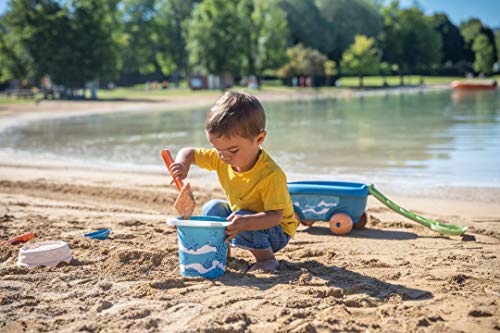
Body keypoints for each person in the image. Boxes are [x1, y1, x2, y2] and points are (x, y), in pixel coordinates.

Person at [170, 91, 298, 273]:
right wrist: (182, 165)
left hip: (275, 231)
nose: (223, 157)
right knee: (212, 208)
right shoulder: (222, 156)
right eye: (217, 149)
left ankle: (266, 259)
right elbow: (189, 152)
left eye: (233, 150)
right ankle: (223, 252)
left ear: (259, 139)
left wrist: (245, 221)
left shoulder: (271, 175)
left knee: (242, 215)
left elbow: (275, 216)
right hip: (243, 217)